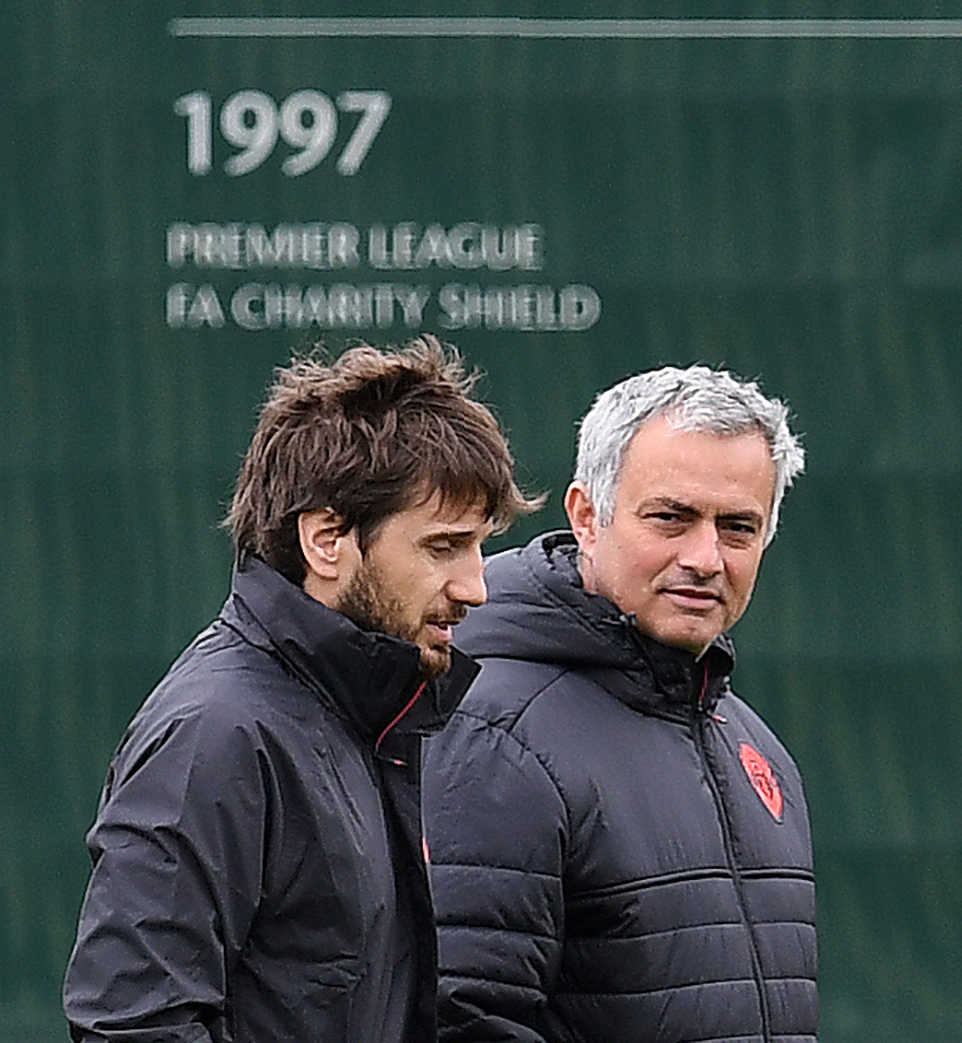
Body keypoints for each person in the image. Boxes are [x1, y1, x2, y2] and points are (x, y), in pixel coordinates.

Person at [64, 337, 541, 1043]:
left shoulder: (374, 712)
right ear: (326, 540)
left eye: (479, 546)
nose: (476, 586)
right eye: (443, 546)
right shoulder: (217, 732)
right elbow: (134, 1025)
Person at [424, 364, 814, 1043]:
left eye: (738, 527)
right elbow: (461, 1019)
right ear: (587, 517)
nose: (705, 556)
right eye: (671, 517)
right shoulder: (493, 730)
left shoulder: (752, 745)